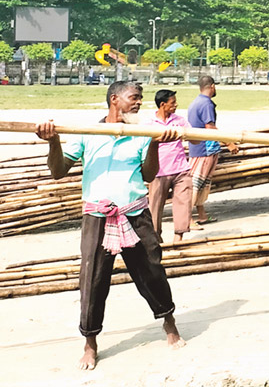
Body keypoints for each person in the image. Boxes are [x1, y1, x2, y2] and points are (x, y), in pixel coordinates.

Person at [34, 81, 186, 371]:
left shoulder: (141, 134)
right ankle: (90, 343)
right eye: (134, 98)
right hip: (97, 217)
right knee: (92, 279)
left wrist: (154, 142)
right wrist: (53, 141)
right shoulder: (88, 133)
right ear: (114, 100)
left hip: (135, 214)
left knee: (152, 270)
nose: (139, 103)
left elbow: (149, 174)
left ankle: (169, 322)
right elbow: (57, 172)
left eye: (140, 98)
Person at [186, 75, 239, 227]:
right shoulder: (206, 104)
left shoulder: (196, 102)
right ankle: (188, 220)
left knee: (203, 184)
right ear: (212, 86)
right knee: (196, 184)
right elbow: (210, 128)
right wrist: (229, 143)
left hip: (200, 147)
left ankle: (202, 215)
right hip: (204, 149)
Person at [146, 89, 192, 243]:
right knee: (155, 206)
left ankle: (178, 237)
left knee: (183, 202)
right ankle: (156, 237)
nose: (176, 105)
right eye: (173, 103)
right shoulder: (149, 124)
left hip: (181, 169)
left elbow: (195, 138)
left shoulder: (180, 121)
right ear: (163, 105)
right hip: (159, 171)